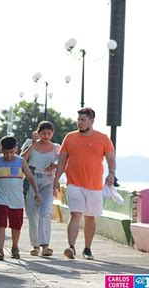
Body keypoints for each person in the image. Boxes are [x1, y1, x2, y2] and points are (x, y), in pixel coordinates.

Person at [53, 107, 116, 260]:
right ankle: (71, 247)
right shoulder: (70, 137)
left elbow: (111, 159)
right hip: (74, 184)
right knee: (75, 214)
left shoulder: (103, 138)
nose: (79, 122)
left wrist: (111, 174)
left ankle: (87, 249)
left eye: (83, 120)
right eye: (78, 120)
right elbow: (61, 162)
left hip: (94, 186)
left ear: (91, 121)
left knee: (90, 216)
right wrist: (56, 181)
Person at [0, 136, 42, 261]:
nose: (8, 155)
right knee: (1, 224)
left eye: (11, 152)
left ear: (16, 149)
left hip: (17, 199)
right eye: (5, 152)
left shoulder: (21, 161)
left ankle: (15, 247)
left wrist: (37, 193)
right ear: (1, 149)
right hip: (1, 198)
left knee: (16, 225)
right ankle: (0, 251)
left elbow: (31, 178)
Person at [21, 121, 60, 257]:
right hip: (31, 181)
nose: (46, 136)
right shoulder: (29, 143)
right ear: (38, 133)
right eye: (43, 133)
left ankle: (45, 246)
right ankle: (35, 245)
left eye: (49, 133)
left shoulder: (56, 147)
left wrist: (54, 167)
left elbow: (62, 163)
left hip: (48, 181)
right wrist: (33, 144)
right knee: (32, 213)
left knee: (45, 212)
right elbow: (22, 160)